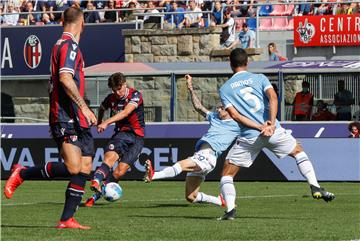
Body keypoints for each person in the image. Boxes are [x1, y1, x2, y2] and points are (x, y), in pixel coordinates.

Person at [4, 7, 97, 229]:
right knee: (74, 168)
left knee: (85, 166)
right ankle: (22, 172)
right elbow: (65, 79)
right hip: (68, 116)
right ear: (82, 22)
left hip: (71, 116)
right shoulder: (68, 46)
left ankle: (67, 219)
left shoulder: (60, 45)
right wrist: (84, 107)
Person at [217, 48, 335, 220]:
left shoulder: (225, 89)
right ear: (247, 62)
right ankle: (315, 186)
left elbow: (235, 116)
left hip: (250, 135)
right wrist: (271, 124)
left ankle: (230, 211)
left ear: (230, 64)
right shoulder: (260, 78)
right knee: (298, 151)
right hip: (273, 130)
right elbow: (273, 98)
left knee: (227, 174)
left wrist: (259, 128)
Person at [144, 74, 264, 207]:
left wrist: (264, 127)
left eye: (221, 107)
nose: (218, 109)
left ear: (230, 109)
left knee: (181, 164)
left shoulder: (237, 123)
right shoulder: (215, 117)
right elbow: (198, 107)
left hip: (208, 156)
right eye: (218, 107)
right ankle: (219, 201)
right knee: (191, 197)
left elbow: (252, 124)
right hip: (200, 156)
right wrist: (190, 88)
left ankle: (154, 175)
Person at [87, 72, 145, 205]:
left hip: (137, 137)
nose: (117, 92)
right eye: (114, 90)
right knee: (109, 158)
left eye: (119, 89)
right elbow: (102, 108)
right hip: (121, 134)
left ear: (125, 84)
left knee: (119, 172)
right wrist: (99, 121)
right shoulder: (111, 98)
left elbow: (126, 112)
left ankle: (96, 196)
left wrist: (106, 122)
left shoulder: (135, 95)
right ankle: (96, 180)